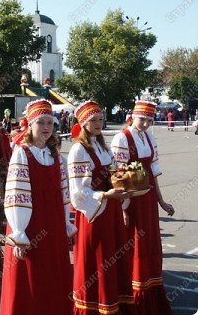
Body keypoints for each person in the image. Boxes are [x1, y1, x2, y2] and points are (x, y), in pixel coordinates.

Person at [0, 99, 77, 315]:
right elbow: (16, 195)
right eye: (40, 122)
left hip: (53, 230)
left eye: (49, 123)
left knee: (52, 278)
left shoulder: (55, 156)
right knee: (30, 281)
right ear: (30, 125)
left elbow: (64, 196)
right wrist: (19, 234)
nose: (45, 128)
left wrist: (66, 226)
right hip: (30, 227)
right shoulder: (22, 153)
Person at [68, 101, 137, 315]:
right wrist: (106, 194)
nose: (98, 123)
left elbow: (113, 175)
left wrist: (125, 182)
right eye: (93, 120)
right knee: (98, 262)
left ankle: (113, 303)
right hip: (94, 215)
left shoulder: (102, 146)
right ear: (83, 123)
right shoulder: (78, 151)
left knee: (113, 258)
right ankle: (96, 306)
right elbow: (78, 192)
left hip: (111, 211)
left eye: (100, 119)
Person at [110, 100, 174, 315]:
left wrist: (162, 201)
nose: (145, 123)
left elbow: (153, 173)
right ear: (133, 116)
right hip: (131, 200)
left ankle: (150, 291)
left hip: (147, 200)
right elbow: (118, 177)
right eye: (142, 119)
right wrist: (122, 208)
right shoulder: (122, 138)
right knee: (133, 246)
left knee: (149, 244)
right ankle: (132, 297)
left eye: (149, 120)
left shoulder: (149, 137)